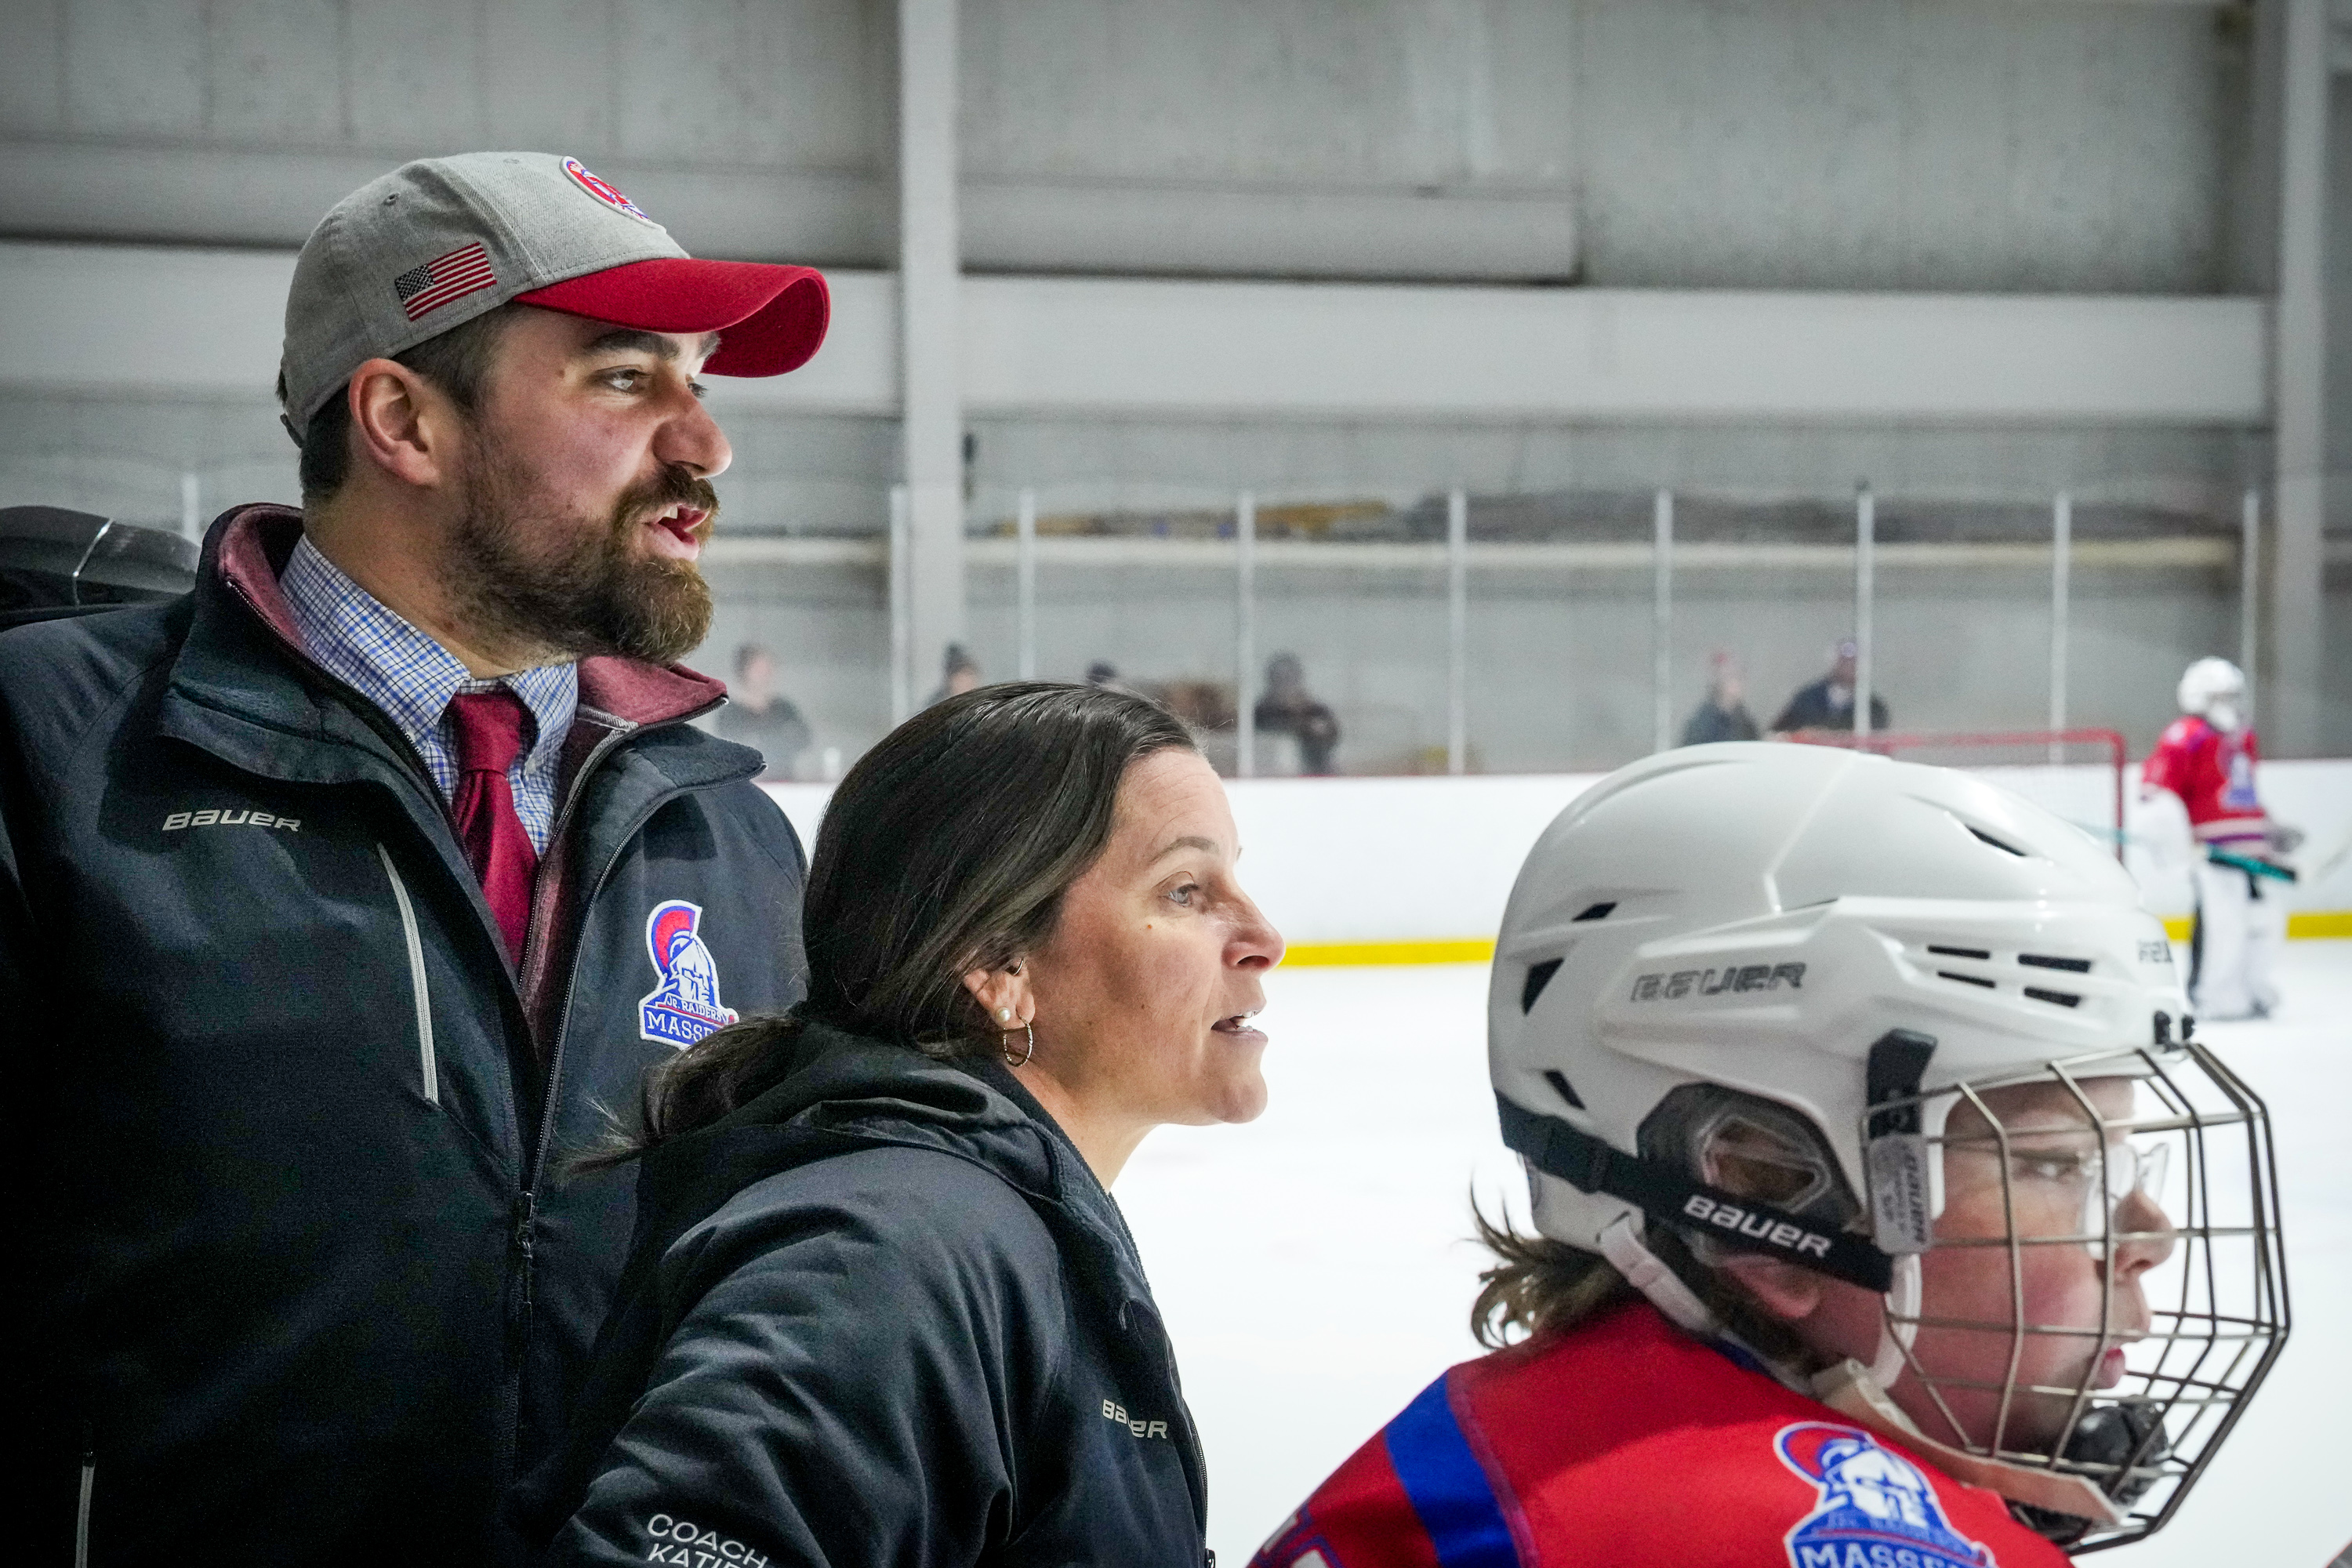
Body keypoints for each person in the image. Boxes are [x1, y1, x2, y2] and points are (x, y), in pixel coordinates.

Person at [0, 151, 832, 1563]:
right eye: (626, 379)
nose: (706, 442)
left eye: (698, 381)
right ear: (403, 420)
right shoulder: (53, 751)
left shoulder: (724, 832)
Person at [1253, 742, 2285, 1566]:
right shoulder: (1799, 1533)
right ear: (1761, 1193)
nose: (2151, 1233)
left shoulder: (1494, 1456)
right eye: (2057, 1162)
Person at [515, 682, 1282, 1565]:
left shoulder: (976, 1221)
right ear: (996, 963)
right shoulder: (891, 1253)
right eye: (1185, 890)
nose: (1264, 935)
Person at [2140, 657, 2300, 1020]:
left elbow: (2243, 794)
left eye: (2234, 696)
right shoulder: (2185, 735)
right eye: (2222, 696)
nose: (2231, 704)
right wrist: (2176, 842)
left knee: (2264, 923)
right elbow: (2158, 795)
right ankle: (2212, 996)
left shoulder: (2242, 738)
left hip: (2252, 854)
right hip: (2214, 854)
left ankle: (2252, 990)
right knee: (2222, 926)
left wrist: (2270, 829)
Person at [716, 641, 814, 779]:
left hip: (785, 780)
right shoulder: (730, 713)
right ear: (744, 671)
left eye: (768, 667)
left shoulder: (784, 709)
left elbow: (804, 739)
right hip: (747, 781)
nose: (765, 673)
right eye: (759, 668)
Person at [1771, 636, 1890, 735]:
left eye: (1854, 662)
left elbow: (1879, 739)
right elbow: (1779, 732)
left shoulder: (1873, 707)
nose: (1849, 667)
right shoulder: (1807, 698)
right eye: (1844, 662)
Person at [1255, 650, 1341, 775]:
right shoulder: (1261, 713)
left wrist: (1313, 729)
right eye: (1279, 679)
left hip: (1312, 777)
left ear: (1298, 679)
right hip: (1269, 777)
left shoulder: (1316, 711)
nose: (1285, 685)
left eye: (1289, 679)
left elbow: (1331, 738)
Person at [1679, 648, 1762, 746]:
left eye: (1740, 677)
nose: (1738, 683)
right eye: (1732, 677)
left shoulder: (1745, 722)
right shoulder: (1702, 723)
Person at [928, 639, 982, 705]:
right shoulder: (938, 704)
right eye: (961, 679)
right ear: (951, 680)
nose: (967, 683)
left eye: (970, 675)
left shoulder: (982, 703)